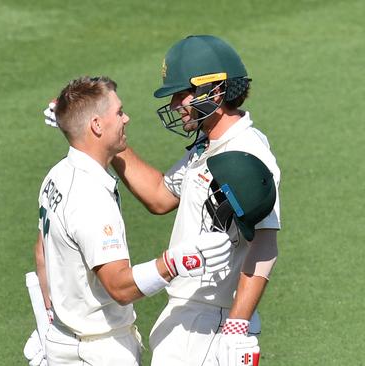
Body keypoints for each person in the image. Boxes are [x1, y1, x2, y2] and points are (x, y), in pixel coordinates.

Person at [29, 76, 233, 366]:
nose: (127, 118)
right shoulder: (90, 198)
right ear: (97, 126)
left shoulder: (57, 175)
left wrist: (53, 324)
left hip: (64, 341)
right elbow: (120, 288)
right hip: (98, 350)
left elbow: (42, 252)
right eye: (119, 112)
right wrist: (173, 263)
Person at [109, 35, 282, 366]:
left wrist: (237, 324)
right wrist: (109, 146)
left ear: (214, 90)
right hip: (185, 312)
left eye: (181, 94)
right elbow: (160, 196)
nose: (175, 105)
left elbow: (264, 245)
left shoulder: (248, 155)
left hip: (212, 323)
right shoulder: (207, 147)